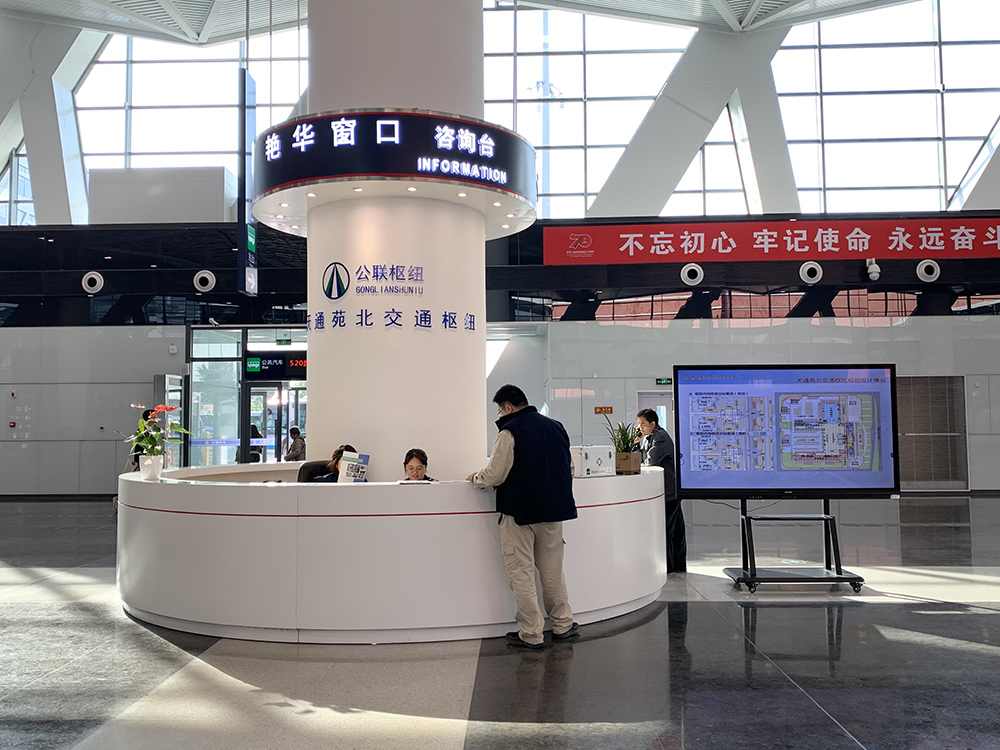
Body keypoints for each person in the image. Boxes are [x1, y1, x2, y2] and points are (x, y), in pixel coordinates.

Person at [467, 384, 580, 649]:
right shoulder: (556, 427)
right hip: (553, 513)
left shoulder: (509, 431)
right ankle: (563, 624)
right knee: (552, 572)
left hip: (519, 514)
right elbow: (570, 468)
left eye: (499, 411)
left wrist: (476, 478)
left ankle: (531, 634)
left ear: (508, 407)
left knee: (522, 574)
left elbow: (496, 474)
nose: (500, 416)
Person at [636, 407, 686, 573]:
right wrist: (636, 442)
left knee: (668, 530)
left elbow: (649, 461)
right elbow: (639, 457)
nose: (640, 427)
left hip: (669, 491)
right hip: (667, 491)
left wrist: (640, 457)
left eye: (642, 424)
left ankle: (669, 567)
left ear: (653, 424)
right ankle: (677, 566)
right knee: (676, 530)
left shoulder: (661, 438)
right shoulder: (648, 437)